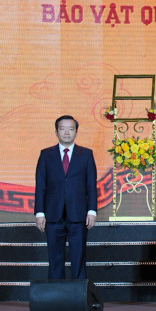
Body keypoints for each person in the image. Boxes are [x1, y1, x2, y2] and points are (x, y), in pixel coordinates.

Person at [35, 115, 98, 279]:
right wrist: (39, 213)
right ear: (56, 132)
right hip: (53, 214)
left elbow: (91, 185)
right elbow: (41, 185)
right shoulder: (46, 155)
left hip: (78, 214)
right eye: (62, 129)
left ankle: (78, 296)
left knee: (78, 257)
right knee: (55, 258)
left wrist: (92, 210)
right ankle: (56, 297)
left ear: (76, 132)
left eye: (71, 129)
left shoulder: (86, 154)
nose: (67, 133)